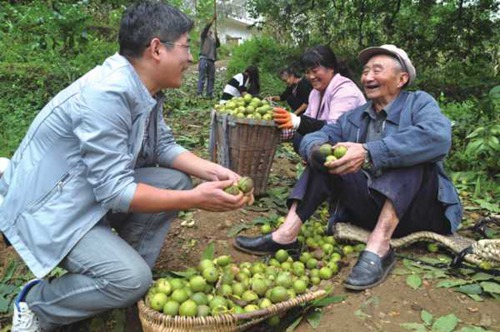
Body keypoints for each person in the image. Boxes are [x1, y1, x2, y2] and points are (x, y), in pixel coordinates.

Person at [1, 2, 252, 331]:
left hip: (85, 194)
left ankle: (120, 272)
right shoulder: (106, 94)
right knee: (131, 280)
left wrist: (212, 171)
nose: (191, 58)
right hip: (52, 210)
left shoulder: (144, 88)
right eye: (186, 46)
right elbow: (116, 191)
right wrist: (197, 199)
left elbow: (160, 146)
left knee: (175, 180)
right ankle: (37, 303)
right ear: (157, 49)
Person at [234, 44, 462, 291]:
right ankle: (285, 235)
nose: (367, 77)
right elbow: (317, 136)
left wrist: (368, 152)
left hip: (420, 212)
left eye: (377, 70)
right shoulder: (355, 115)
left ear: (401, 79)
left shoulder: (419, 103)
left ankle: (379, 247)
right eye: (365, 71)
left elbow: (438, 138)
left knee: (409, 156)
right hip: (370, 207)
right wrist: (319, 152)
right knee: (324, 156)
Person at [272, 45, 366, 152]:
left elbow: (336, 131)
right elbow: (307, 120)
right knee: (298, 138)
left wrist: (298, 122)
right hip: (321, 148)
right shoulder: (315, 93)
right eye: (307, 72)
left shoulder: (345, 92)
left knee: (302, 139)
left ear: (331, 68)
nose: (311, 76)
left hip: (347, 152)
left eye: (315, 71)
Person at [197, 14, 220, 99]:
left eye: (211, 31)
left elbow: (218, 45)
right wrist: (212, 20)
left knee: (211, 78)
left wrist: (217, 36)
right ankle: (199, 93)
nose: (210, 31)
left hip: (211, 60)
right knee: (202, 76)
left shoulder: (213, 40)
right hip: (204, 59)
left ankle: (209, 94)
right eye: (209, 31)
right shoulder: (204, 37)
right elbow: (206, 27)